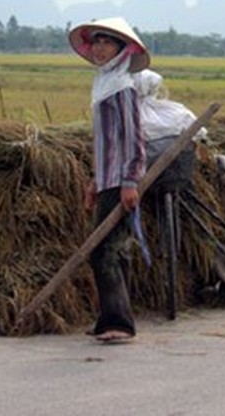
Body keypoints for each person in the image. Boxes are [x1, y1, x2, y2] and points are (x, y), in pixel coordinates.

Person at [68, 17, 150, 344]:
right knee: (115, 249)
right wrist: (94, 180)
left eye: (107, 43)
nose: (100, 48)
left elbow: (133, 139)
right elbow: (106, 142)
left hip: (120, 181)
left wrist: (130, 181)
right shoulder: (104, 83)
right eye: (97, 42)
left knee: (104, 250)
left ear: (121, 49)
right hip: (107, 179)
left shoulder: (123, 88)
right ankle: (109, 319)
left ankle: (120, 323)